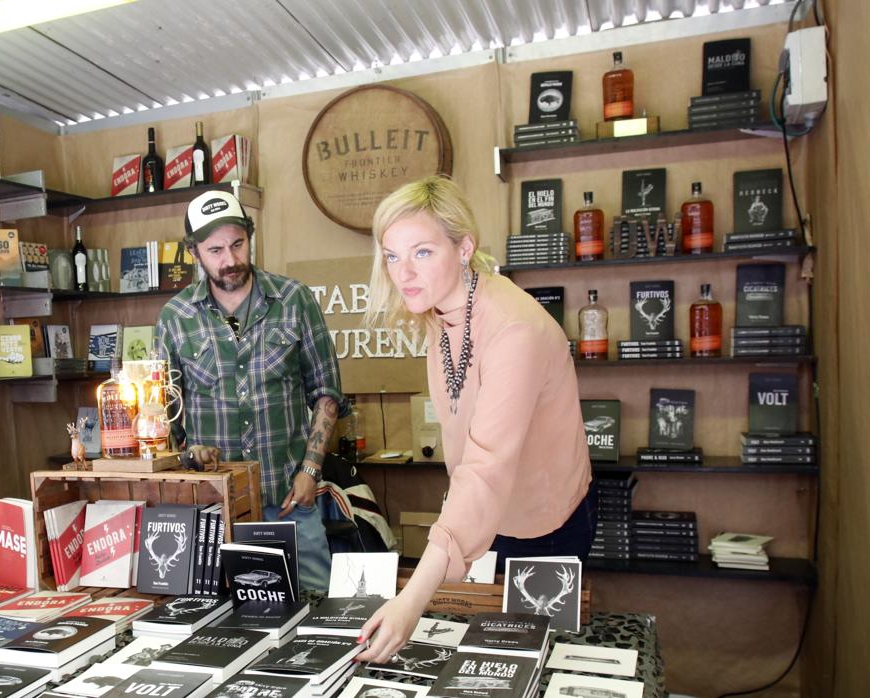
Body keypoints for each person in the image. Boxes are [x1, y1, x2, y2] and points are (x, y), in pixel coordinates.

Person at [355, 176, 594, 662]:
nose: (403, 272)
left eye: (421, 252)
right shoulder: (440, 315)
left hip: (545, 525)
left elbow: (485, 467)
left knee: (529, 664)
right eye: (392, 255)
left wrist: (411, 601)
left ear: (464, 248)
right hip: (486, 520)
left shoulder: (513, 331)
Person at [156, 190, 349, 592]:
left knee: (321, 612)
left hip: (290, 501)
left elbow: (327, 393)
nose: (229, 260)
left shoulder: (294, 300)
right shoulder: (175, 319)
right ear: (194, 253)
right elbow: (164, 416)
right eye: (215, 250)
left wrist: (311, 471)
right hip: (214, 509)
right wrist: (188, 456)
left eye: (238, 244)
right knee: (218, 621)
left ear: (250, 236)